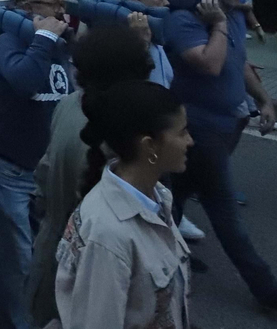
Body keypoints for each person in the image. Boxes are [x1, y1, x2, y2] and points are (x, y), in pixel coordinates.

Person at [164, 0, 277, 310]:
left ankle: (164, 255)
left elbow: (236, 63)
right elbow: (210, 65)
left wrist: (264, 99)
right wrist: (219, 24)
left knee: (174, 197)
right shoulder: (184, 19)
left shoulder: (234, 15)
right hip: (198, 129)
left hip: (227, 125)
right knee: (224, 211)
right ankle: (267, 288)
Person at [27, 21, 156, 327]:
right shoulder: (126, 134)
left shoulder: (70, 105)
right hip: (91, 277)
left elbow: (43, 179)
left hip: (51, 256)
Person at [0, 0, 73, 329]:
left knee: (41, 253)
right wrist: (44, 38)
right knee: (21, 260)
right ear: (28, 9)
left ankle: (1, 281)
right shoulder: (8, 39)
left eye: (63, 4)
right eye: (53, 5)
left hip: (43, 169)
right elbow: (24, 80)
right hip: (6, 166)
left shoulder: (58, 41)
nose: (62, 12)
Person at [53, 80, 193, 329]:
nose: (190, 141)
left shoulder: (158, 197)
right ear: (150, 145)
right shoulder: (108, 234)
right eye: (182, 132)